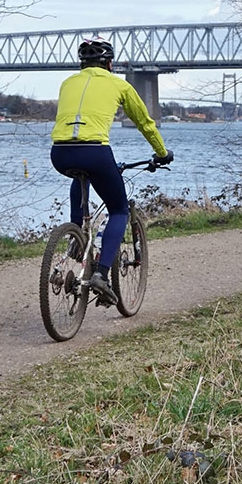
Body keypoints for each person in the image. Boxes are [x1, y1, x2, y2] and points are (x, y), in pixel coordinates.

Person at [50, 36, 173, 299]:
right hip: (95, 151)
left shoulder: (67, 83)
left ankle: (76, 235)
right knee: (119, 210)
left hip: (59, 153)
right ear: (110, 63)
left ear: (82, 63)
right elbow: (146, 123)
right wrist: (161, 153)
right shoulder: (120, 85)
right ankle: (102, 275)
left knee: (79, 175)